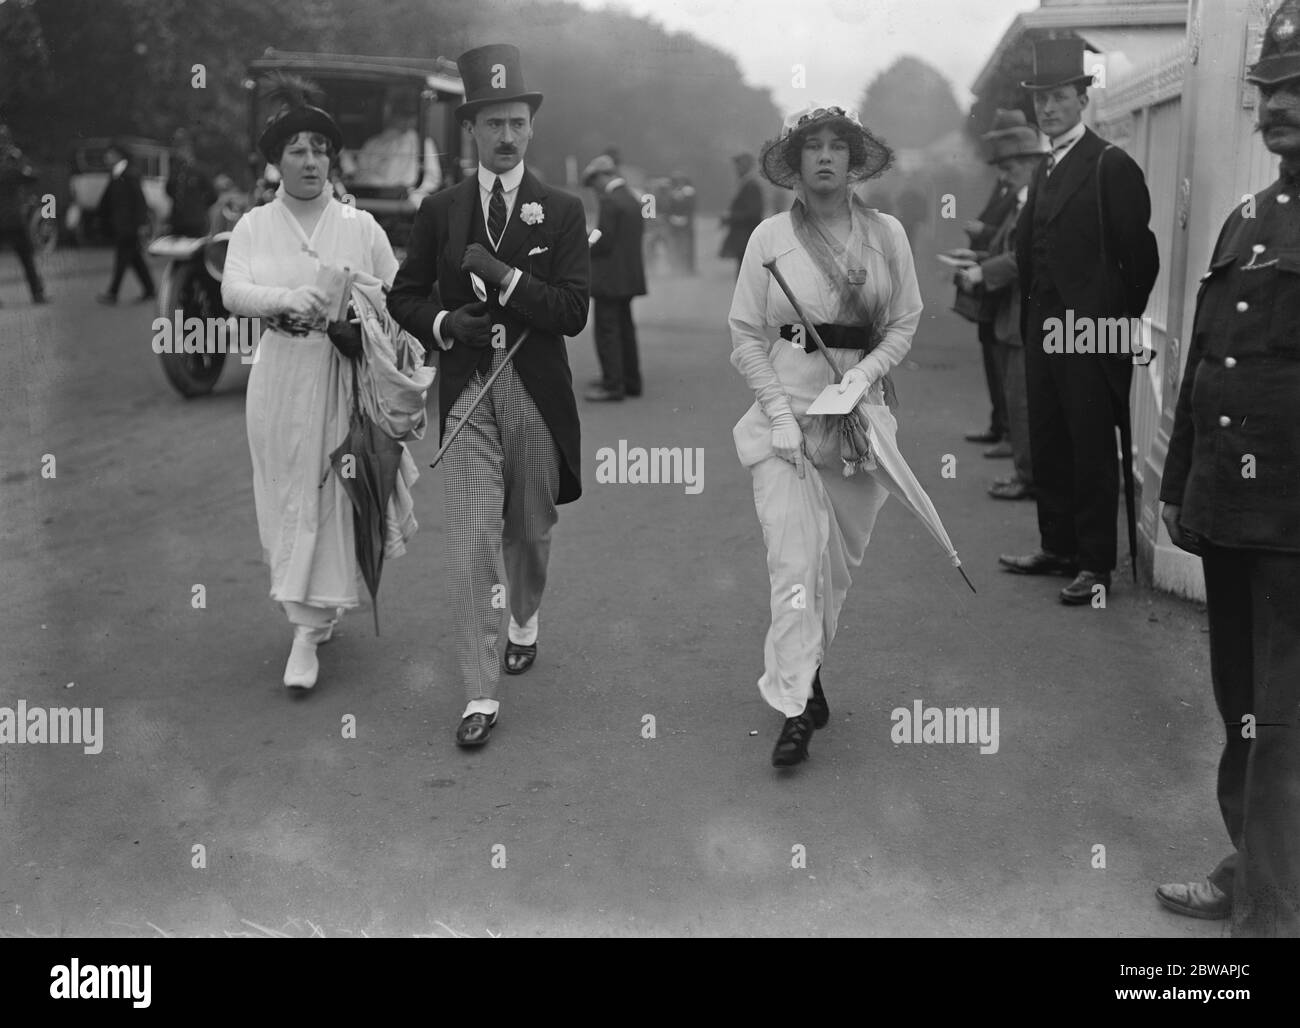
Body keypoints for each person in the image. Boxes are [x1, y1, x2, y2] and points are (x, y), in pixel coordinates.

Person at [387, 44, 589, 749]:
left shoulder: (560, 210)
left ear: (530, 129)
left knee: (529, 529)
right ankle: (479, 692)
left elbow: (571, 312)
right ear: (470, 130)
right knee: (472, 545)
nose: (506, 137)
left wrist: (503, 281)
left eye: (517, 123)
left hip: (535, 393)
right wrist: (445, 324)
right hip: (467, 396)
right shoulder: (439, 210)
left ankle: (525, 619)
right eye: (492, 124)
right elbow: (403, 295)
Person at [1155, 0, 1300, 937]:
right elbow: (1208, 362)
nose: (1276, 107)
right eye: (1270, 91)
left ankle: (1270, 919)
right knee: (1244, 712)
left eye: (1296, 91)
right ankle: (1252, 868)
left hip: (1295, 522)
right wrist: (1175, 489)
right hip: (1228, 513)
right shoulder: (1248, 220)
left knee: (1284, 728)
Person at [729, 103, 921, 767]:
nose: (826, 156)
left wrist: (861, 377)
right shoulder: (767, 241)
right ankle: (793, 705)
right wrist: (780, 415)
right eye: (813, 146)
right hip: (783, 426)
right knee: (793, 565)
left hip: (860, 427)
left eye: (840, 145)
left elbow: (904, 323)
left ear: (854, 159)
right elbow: (746, 335)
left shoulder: (886, 234)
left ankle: (808, 670)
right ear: (797, 161)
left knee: (831, 570)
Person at [221, 75, 401, 691]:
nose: (310, 160)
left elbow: (395, 293)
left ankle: (304, 633)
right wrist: (287, 297)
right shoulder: (253, 226)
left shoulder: (359, 226)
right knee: (282, 493)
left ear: (333, 159)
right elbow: (232, 290)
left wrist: (356, 312)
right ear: (275, 163)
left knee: (328, 489)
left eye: (319, 149)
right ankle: (311, 608)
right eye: (296, 150)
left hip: (338, 375)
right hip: (277, 374)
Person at [999, 39, 1159, 604]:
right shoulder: (1047, 166)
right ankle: (1059, 546)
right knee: (1050, 440)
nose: (1048, 109)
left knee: (1091, 448)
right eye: (1041, 100)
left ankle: (1095, 565)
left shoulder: (1109, 165)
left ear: (1082, 99)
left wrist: (1109, 325)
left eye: (1060, 98)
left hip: (1090, 337)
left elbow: (1141, 258)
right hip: (1043, 330)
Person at [956, 117, 1048, 501]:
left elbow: (1023, 256)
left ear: (1032, 163)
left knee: (1023, 404)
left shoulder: (1037, 202)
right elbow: (1009, 248)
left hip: (1022, 317)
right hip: (1013, 318)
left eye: (1011, 169)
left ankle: (1028, 479)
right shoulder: (1027, 200)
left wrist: (982, 270)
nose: (1006, 178)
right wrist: (978, 255)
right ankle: (1024, 474)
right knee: (1017, 400)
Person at [961, 111, 1022, 454]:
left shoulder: (1020, 186)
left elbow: (1010, 240)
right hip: (991, 277)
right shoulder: (1004, 182)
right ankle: (1001, 424)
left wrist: (983, 234)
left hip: (1001, 283)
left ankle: (1010, 432)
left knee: (1005, 362)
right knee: (992, 354)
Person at [582, 152, 646, 401]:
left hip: (610, 279)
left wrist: (586, 242)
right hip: (629, 276)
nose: (594, 188)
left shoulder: (609, 201)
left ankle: (612, 384)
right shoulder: (631, 198)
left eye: (593, 181)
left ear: (602, 176)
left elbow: (604, 239)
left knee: (607, 331)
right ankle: (631, 381)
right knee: (625, 330)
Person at [95, 142, 156, 304]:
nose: (106, 157)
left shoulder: (129, 174)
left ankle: (113, 293)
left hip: (130, 225)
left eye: (110, 154)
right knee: (135, 258)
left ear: (119, 156)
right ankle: (150, 289)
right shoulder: (117, 174)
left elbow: (139, 200)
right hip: (122, 224)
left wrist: (142, 224)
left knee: (122, 259)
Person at [0, 124, 47, 305]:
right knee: (27, 258)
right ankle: (37, 294)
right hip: (13, 219)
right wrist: (19, 159)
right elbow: (32, 177)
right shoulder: (12, 164)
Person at [165, 128, 217, 237]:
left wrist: (199, 207)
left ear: (188, 149)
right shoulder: (175, 170)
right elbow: (169, 190)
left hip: (195, 223)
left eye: (181, 148)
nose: (178, 152)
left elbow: (213, 195)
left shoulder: (199, 170)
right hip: (177, 222)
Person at [720, 152, 764, 279]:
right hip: (742, 236)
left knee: (746, 276)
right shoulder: (745, 184)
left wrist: (731, 217)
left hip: (747, 236)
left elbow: (753, 213)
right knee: (742, 272)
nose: (736, 169)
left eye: (739, 165)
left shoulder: (751, 186)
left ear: (746, 166)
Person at [666, 171, 696, 274]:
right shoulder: (675, 192)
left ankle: (686, 269)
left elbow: (689, 208)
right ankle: (679, 268)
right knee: (678, 246)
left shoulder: (688, 192)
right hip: (677, 223)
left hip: (684, 223)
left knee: (685, 247)